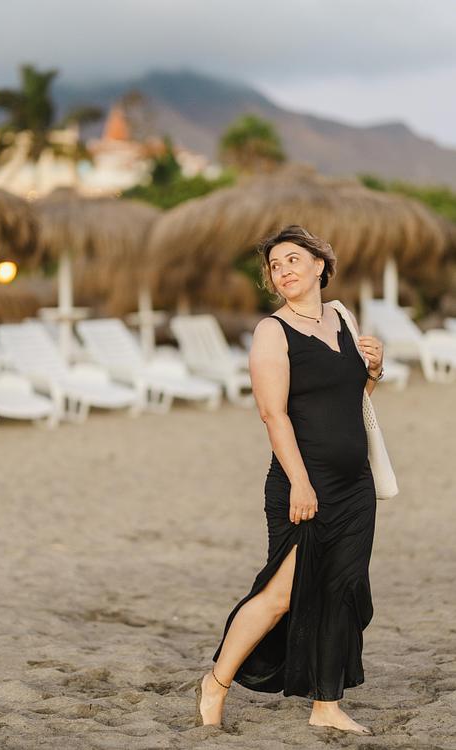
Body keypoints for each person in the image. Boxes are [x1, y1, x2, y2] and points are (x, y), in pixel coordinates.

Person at [194, 225, 384, 736]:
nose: (283, 271)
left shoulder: (342, 319)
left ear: (320, 265)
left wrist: (375, 370)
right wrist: (301, 483)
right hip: (304, 484)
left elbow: (349, 401)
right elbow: (272, 414)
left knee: (341, 591)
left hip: (355, 484)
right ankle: (216, 682)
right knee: (281, 594)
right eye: (276, 266)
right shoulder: (272, 332)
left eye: (293, 260)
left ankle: (327, 704)